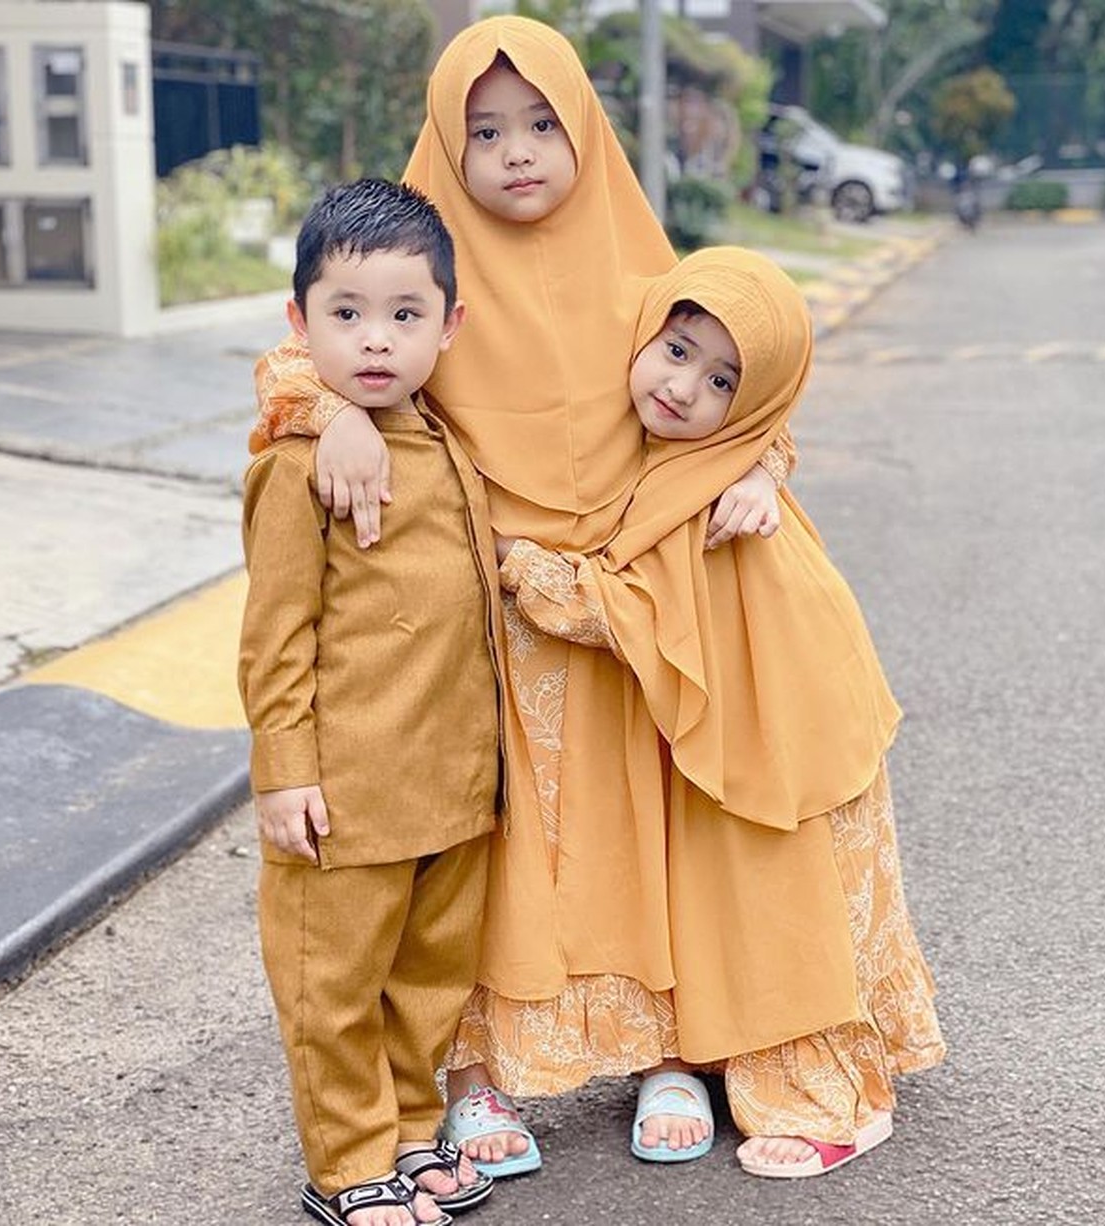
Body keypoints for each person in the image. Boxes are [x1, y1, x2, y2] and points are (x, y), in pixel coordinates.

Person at [248, 15, 792, 1176]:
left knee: (646, 829)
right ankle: (474, 1073)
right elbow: (307, 344)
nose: (517, 152)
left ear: (586, 125)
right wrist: (335, 413)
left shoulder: (643, 262)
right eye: (483, 130)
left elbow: (737, 372)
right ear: (447, 141)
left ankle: (665, 1049)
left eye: (543, 123)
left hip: (631, 601)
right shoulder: (421, 265)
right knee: (493, 854)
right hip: (490, 614)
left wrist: (758, 465)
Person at [486, 245, 946, 1177]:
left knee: (775, 881)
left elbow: (621, 614)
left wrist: (515, 555)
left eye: (724, 379)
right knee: (734, 880)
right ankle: (743, 1051)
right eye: (678, 348)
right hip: (760, 710)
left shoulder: (712, 491)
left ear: (757, 402)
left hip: (783, 723)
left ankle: (828, 1094)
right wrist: (763, 461)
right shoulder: (697, 464)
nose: (684, 387)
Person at [238, 177, 503, 1226]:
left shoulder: (444, 439)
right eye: (345, 315)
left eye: (406, 315)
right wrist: (285, 769)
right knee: (333, 985)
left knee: (427, 977)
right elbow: (274, 633)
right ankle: (347, 1161)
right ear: (301, 323)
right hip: (344, 792)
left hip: (449, 782)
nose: (377, 341)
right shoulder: (300, 462)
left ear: (450, 326)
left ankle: (404, 1131)